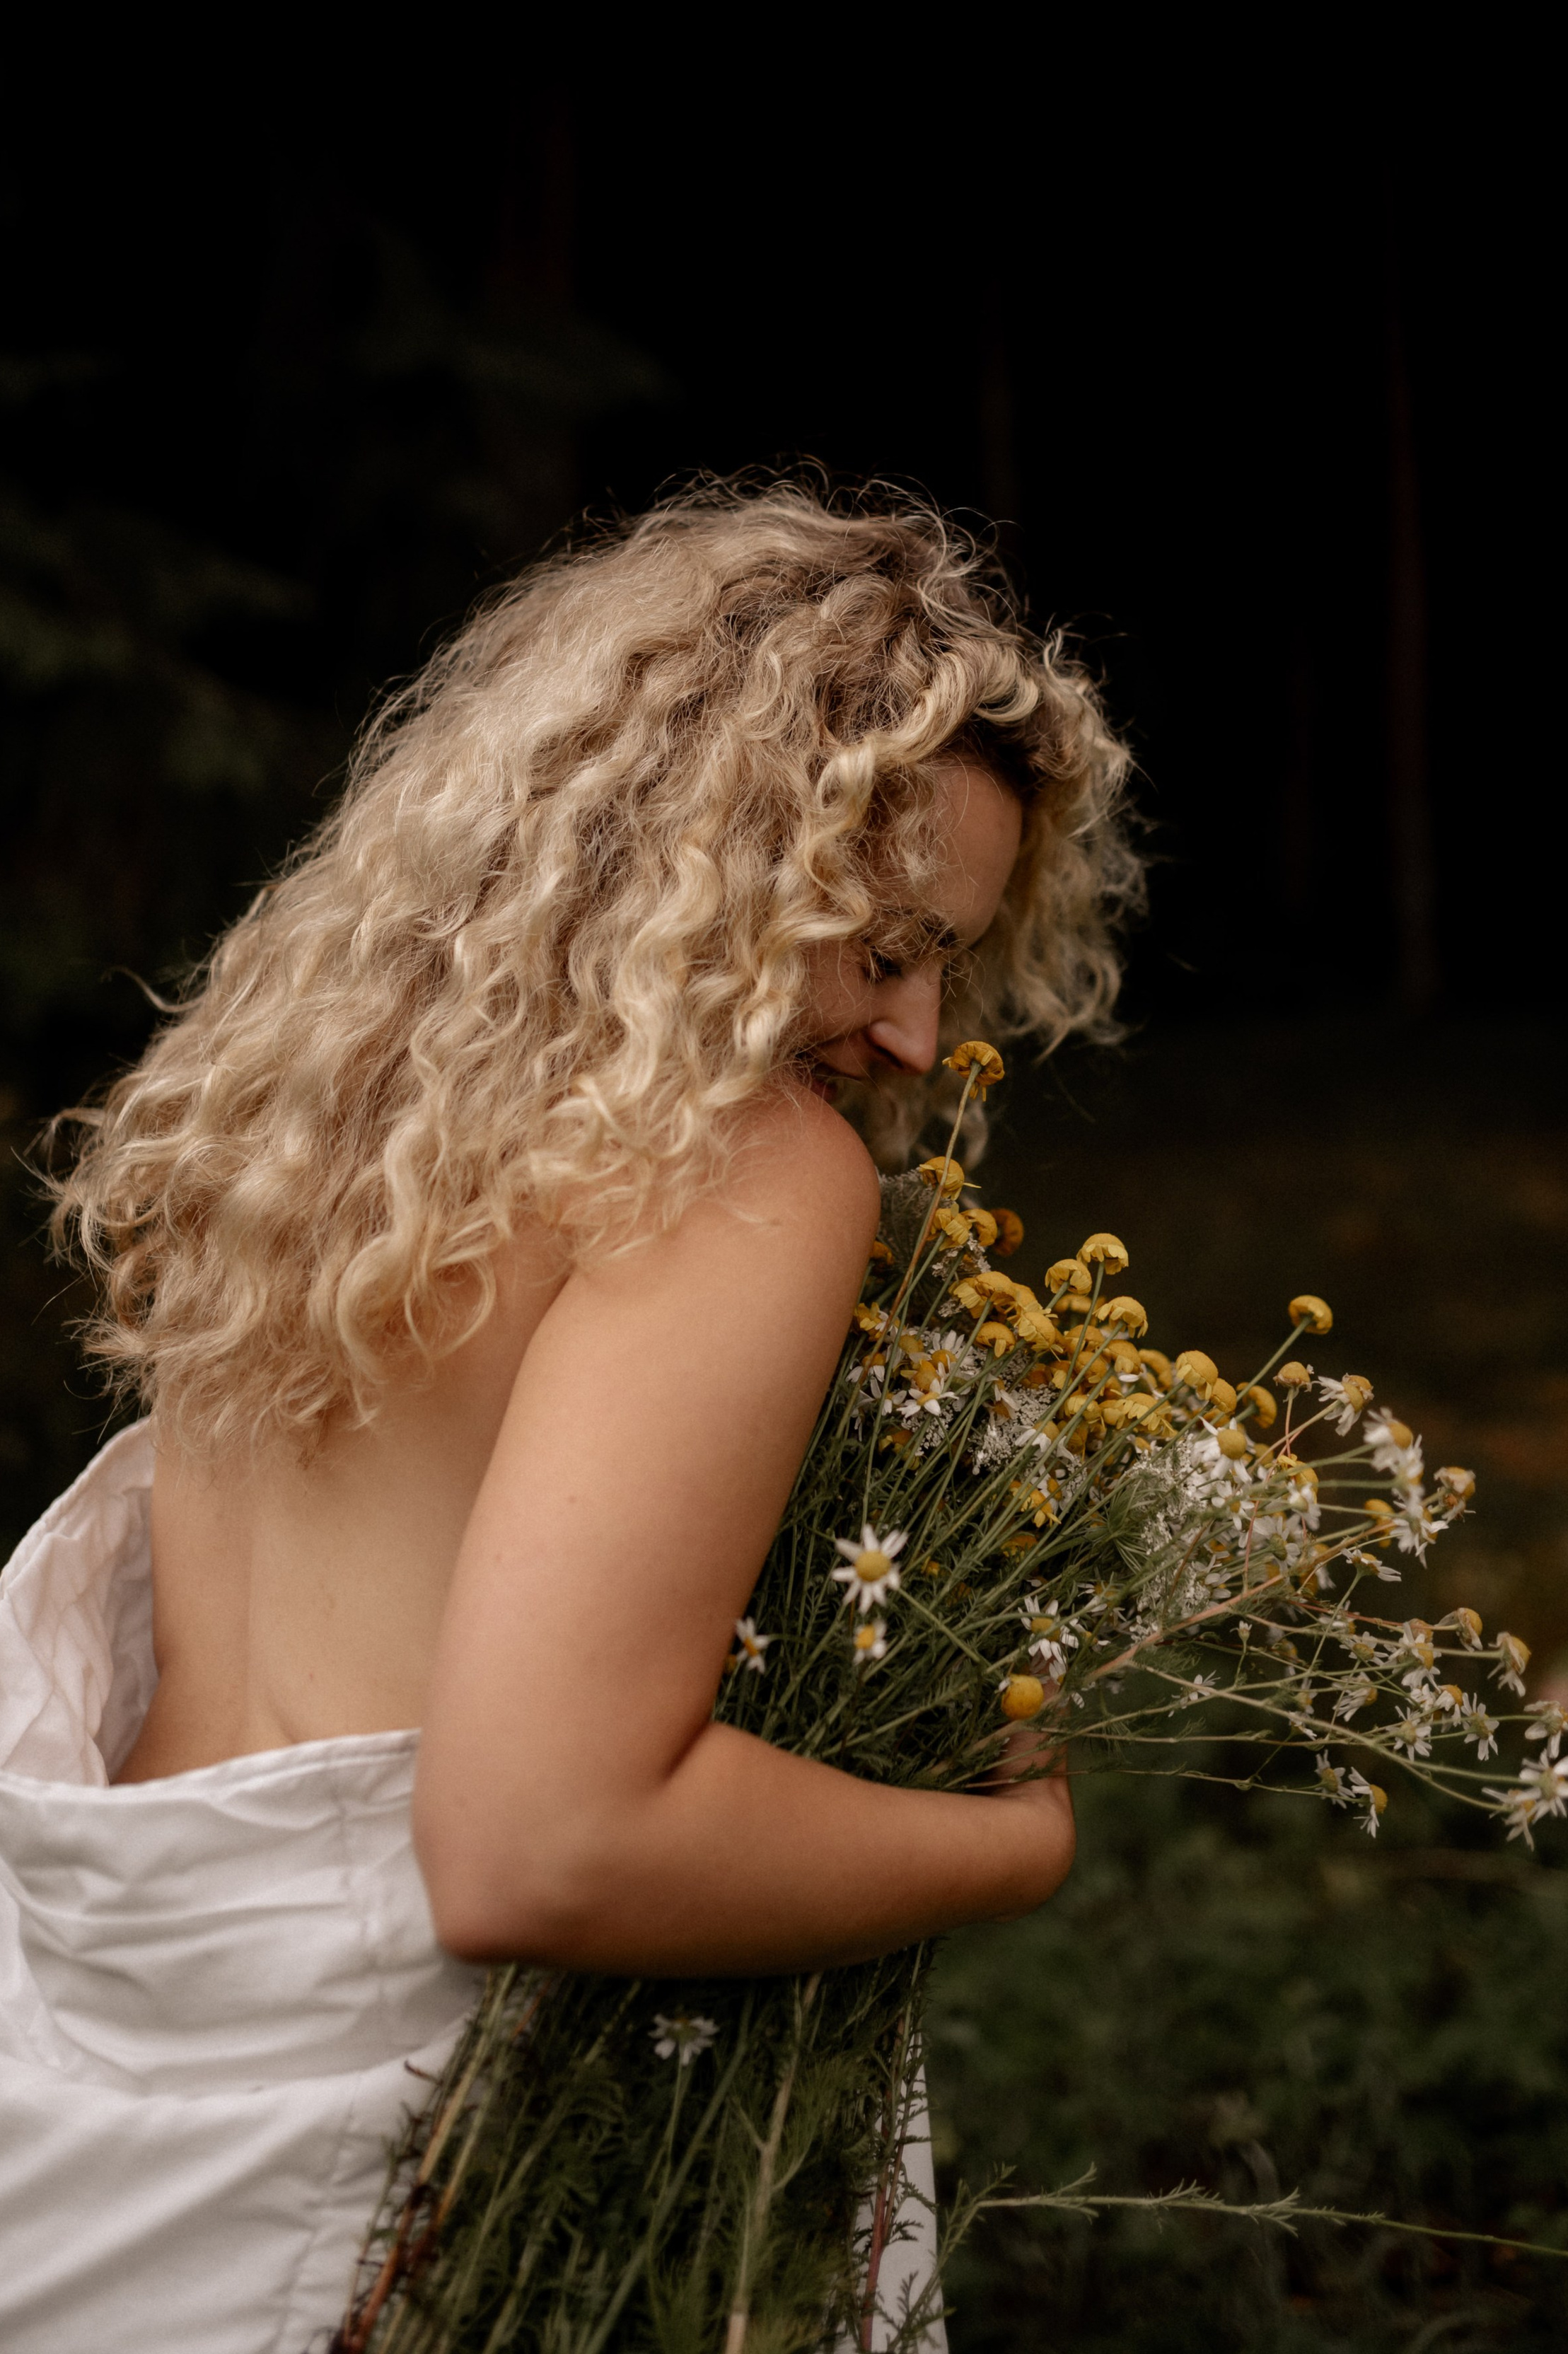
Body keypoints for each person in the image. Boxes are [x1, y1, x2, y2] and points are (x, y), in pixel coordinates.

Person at [0, 477, 1137, 2350]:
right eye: (884, 946)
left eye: (944, 959)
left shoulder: (330, 1110)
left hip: (105, 2093)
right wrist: (1010, 1837)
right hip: (400, 2179)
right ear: (727, 863)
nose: (922, 1037)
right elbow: (544, 1841)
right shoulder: (741, 1169)